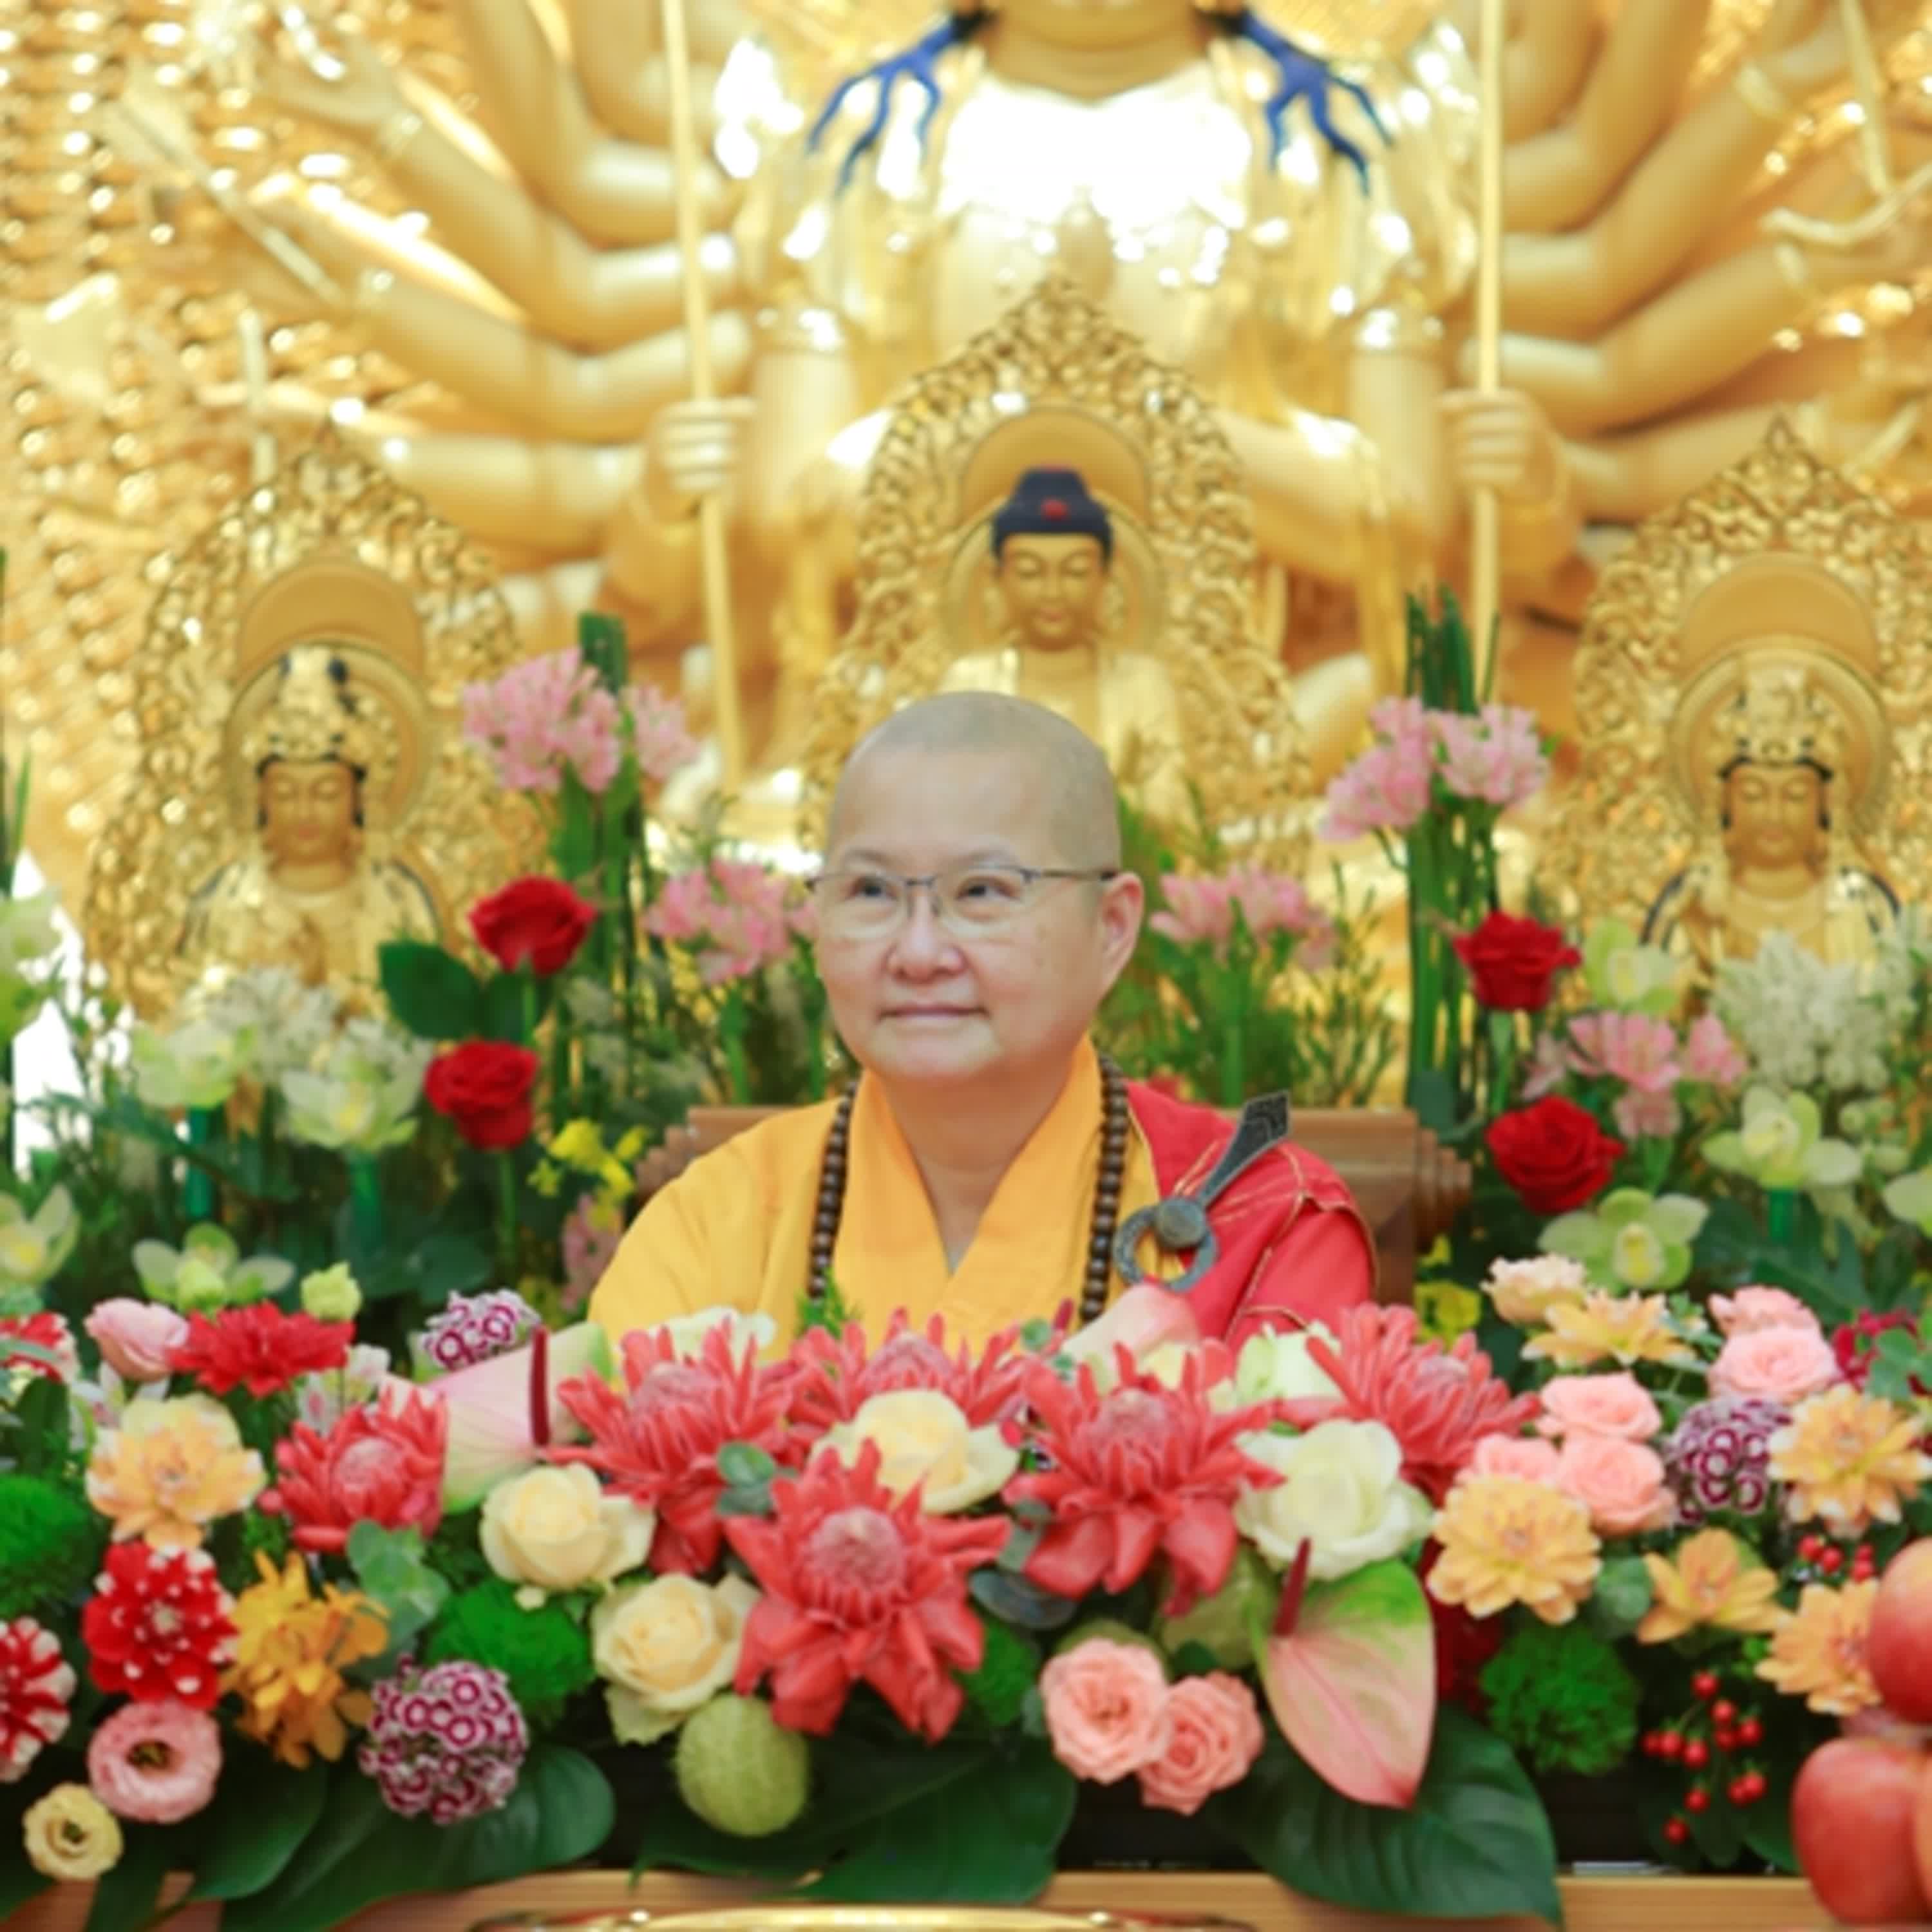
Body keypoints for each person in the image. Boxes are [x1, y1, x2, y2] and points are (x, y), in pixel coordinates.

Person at [589, 692, 1374, 1350]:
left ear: (1111, 929)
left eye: (983, 892)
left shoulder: (1258, 1220)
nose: (919, 952)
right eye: (870, 892)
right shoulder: (716, 1220)